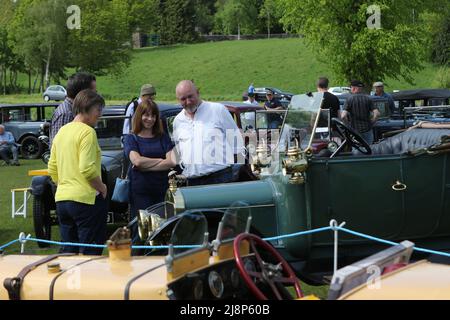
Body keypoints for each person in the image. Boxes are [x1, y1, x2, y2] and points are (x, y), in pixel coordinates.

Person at [48, 89, 107, 255]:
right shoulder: (88, 132)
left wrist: (65, 185)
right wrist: (102, 187)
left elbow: (52, 168)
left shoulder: (61, 132)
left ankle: (67, 281)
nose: (100, 114)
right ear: (86, 109)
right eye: (98, 110)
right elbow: (87, 169)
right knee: (90, 253)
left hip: (63, 201)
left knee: (68, 253)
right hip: (85, 201)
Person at [123, 100, 176, 243]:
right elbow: (136, 161)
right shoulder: (131, 138)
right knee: (141, 231)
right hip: (140, 192)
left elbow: (173, 161)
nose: (150, 119)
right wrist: (161, 160)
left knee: (162, 230)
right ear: (139, 116)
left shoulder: (163, 137)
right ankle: (137, 261)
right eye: (146, 115)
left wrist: (145, 165)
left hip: (161, 191)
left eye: (153, 116)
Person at [173, 80, 244, 186]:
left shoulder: (218, 110)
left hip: (221, 178)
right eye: (183, 99)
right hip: (192, 181)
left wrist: (237, 176)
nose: (188, 102)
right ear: (178, 100)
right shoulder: (177, 121)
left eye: (190, 96)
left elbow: (237, 145)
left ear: (197, 93)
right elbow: (179, 152)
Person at [49, 72, 97, 146]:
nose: (95, 95)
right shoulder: (66, 114)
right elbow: (58, 147)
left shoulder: (75, 110)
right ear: (82, 93)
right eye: (93, 92)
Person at [341, 80, 380, 145]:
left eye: (351, 88)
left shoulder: (349, 99)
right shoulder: (368, 98)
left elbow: (343, 116)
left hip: (355, 131)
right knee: (369, 150)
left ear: (353, 88)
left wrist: (348, 125)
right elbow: (377, 114)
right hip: (367, 130)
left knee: (357, 151)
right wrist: (372, 122)